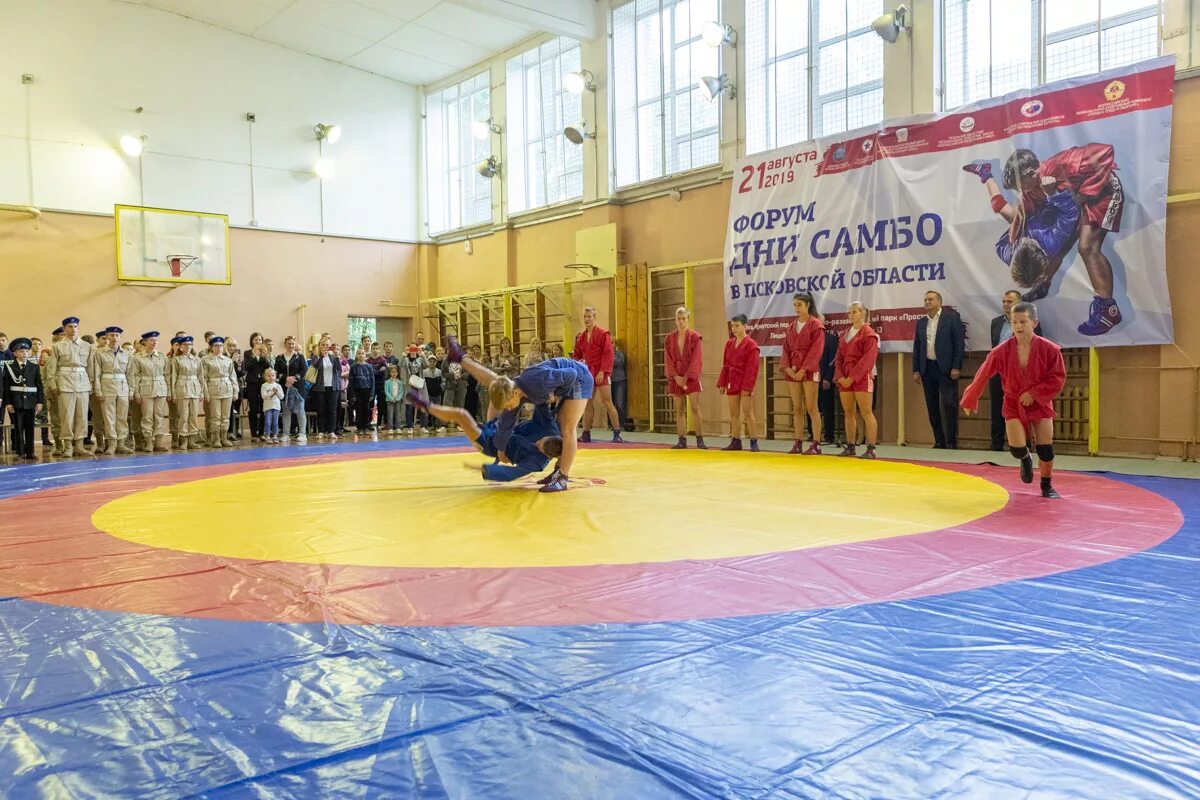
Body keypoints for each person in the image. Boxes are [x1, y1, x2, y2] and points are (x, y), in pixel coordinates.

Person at [1002, 144, 1124, 335]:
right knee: (1056, 248)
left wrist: (1082, 194)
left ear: (1032, 173)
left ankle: (1108, 309)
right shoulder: (1030, 189)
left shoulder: (1064, 162)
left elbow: (1106, 150)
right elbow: (1023, 215)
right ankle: (1043, 285)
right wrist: (1014, 238)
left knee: (1087, 247)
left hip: (1102, 195)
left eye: (1021, 185)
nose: (1022, 190)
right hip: (1073, 204)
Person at [448, 338, 591, 493]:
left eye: (508, 405)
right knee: (557, 426)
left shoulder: (539, 382)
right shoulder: (515, 395)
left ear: (514, 393)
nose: (508, 408)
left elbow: (572, 373)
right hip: (561, 381)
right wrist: (501, 450)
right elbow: (505, 425)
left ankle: (562, 477)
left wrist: (557, 394)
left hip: (579, 378)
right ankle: (558, 470)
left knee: (568, 429)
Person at [962, 302, 1066, 498]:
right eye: (1014, 322)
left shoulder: (1050, 350)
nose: (1018, 326)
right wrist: (970, 398)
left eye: (1023, 322)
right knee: (1017, 448)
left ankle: (1046, 485)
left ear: (1034, 323)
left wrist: (1034, 393)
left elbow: (1057, 378)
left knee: (1045, 448)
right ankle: (1025, 458)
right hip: (1013, 401)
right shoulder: (1001, 351)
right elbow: (983, 374)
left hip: (1040, 402)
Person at [962, 159, 1079, 304]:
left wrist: (1016, 226)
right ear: (1042, 252)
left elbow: (1002, 243)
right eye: (1028, 242)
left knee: (998, 206)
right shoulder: (1052, 241)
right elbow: (1071, 214)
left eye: (1020, 243)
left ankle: (985, 173)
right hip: (1049, 208)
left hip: (1028, 219)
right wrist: (1052, 193)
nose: (1024, 239)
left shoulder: (1008, 254)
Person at [412, 391, 563, 483]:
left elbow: (510, 474)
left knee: (461, 415)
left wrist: (479, 468)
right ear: (549, 436)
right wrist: (549, 395)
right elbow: (542, 407)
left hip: (491, 445)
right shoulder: (550, 427)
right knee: (499, 390)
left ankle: (424, 405)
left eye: (538, 447)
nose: (536, 443)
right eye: (540, 441)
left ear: (546, 455)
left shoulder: (537, 462)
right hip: (501, 428)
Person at [989, 290, 1043, 451]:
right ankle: (996, 444)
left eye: (1009, 301)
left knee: (1023, 409)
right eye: (1004, 301)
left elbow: (1037, 349)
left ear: (1019, 304)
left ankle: (1025, 444)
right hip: (999, 371)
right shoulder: (996, 322)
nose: (1005, 304)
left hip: (1020, 374)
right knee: (997, 406)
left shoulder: (1029, 322)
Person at [912, 290, 965, 449]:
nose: (927, 302)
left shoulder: (951, 319)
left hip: (947, 369)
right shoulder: (921, 322)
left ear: (939, 302)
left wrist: (956, 366)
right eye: (925, 299)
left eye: (930, 299)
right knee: (932, 406)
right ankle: (939, 441)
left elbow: (959, 344)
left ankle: (951, 442)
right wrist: (916, 369)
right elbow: (917, 346)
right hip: (927, 368)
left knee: (949, 405)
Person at [834, 302, 880, 459]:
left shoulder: (869, 334)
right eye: (849, 312)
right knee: (848, 412)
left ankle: (871, 447)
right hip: (845, 377)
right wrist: (840, 376)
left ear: (862, 313)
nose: (851, 315)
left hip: (861, 377)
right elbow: (839, 357)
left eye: (854, 312)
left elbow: (868, 359)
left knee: (866, 412)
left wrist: (852, 377)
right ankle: (851, 445)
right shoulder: (845, 334)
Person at [781, 293, 826, 455]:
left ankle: (816, 443)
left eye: (799, 304)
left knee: (811, 407)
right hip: (793, 371)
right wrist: (788, 369)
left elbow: (816, 350)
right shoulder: (791, 327)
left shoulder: (816, 325)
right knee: (797, 408)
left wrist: (803, 369)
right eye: (794, 305)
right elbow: (785, 349)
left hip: (809, 370)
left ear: (807, 305)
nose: (796, 308)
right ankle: (798, 441)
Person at [573, 306, 623, 444]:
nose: (587, 319)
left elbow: (608, 354)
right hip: (588, 372)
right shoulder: (581, 337)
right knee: (587, 403)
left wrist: (602, 371)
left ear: (594, 317)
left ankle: (617, 433)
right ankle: (586, 433)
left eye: (589, 316)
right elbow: (577, 354)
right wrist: (577, 363)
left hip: (602, 371)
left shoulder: (603, 334)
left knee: (608, 402)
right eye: (585, 316)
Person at [46, 316, 94, 457]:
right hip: (65, 382)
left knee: (82, 415)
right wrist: (53, 386)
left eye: (75, 326)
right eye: (69, 327)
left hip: (82, 382)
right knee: (66, 416)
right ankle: (68, 446)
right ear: (64, 329)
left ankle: (79, 445)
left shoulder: (86, 346)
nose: (73, 329)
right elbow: (51, 369)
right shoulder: (57, 346)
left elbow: (90, 368)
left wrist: (91, 384)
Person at [717, 314, 761, 452]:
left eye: (737, 326)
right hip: (732, 380)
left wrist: (747, 387)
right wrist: (722, 382)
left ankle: (754, 441)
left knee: (748, 412)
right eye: (732, 326)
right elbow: (725, 365)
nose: (734, 329)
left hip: (744, 381)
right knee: (734, 413)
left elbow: (752, 368)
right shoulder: (729, 343)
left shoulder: (752, 345)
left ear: (745, 326)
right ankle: (736, 440)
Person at [87, 327, 133, 455]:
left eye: (117, 335)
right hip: (107, 387)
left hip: (123, 388)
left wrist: (131, 391)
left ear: (120, 337)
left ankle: (121, 444)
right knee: (109, 418)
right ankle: (111, 444)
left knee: (122, 418)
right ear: (107, 337)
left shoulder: (127, 354)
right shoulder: (100, 353)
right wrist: (98, 391)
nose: (114, 338)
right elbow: (97, 374)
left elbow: (130, 374)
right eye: (112, 335)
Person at [665, 307, 706, 449]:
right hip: (676, 376)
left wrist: (687, 376)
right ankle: (681, 439)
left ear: (688, 319)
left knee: (695, 407)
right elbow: (668, 359)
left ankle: (700, 439)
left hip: (691, 376)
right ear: (675, 320)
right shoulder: (669, 338)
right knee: (679, 410)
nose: (681, 322)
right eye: (679, 319)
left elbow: (697, 359)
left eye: (684, 319)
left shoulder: (695, 337)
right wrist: (675, 376)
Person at [2, 338, 44, 459]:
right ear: (15, 354)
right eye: (21, 351)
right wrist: (8, 403)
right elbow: (6, 387)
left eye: (26, 351)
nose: (24, 353)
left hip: (31, 402)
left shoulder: (34, 367)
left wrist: (40, 401)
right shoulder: (10, 367)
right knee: (18, 428)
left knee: (30, 427)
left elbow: (39, 386)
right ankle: (20, 452)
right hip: (17, 402)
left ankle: (30, 452)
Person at [129, 331, 170, 452]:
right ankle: (148, 442)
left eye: (156, 340)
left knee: (159, 416)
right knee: (147, 416)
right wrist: (136, 392)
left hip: (160, 388)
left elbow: (167, 375)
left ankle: (158, 442)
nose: (154, 342)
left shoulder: (162, 357)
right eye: (152, 340)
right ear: (145, 342)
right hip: (145, 389)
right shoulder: (137, 358)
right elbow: (135, 376)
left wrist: (168, 391)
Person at [200, 337, 237, 448]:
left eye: (221, 345)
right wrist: (205, 393)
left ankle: (224, 438)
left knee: (226, 416)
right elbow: (203, 378)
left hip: (227, 389)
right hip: (213, 389)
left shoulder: (228, 360)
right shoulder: (205, 360)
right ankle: (215, 439)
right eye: (216, 345)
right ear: (211, 347)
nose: (219, 348)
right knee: (215, 416)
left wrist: (235, 391)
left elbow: (232, 377)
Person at [167, 335, 203, 450]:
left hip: (194, 388)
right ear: (181, 347)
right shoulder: (176, 360)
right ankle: (183, 440)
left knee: (193, 416)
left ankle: (192, 440)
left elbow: (201, 377)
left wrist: (202, 392)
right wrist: (173, 392)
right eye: (185, 345)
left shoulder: (197, 360)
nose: (188, 346)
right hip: (181, 388)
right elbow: (173, 377)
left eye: (190, 344)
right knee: (183, 416)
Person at [275, 336, 308, 439]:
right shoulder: (279, 357)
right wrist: (286, 378)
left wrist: (294, 379)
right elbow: (277, 372)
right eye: (289, 343)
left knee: (300, 411)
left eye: (292, 344)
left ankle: (302, 433)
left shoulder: (300, 357)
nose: (291, 345)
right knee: (286, 411)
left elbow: (303, 371)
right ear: (285, 344)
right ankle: (286, 433)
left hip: (298, 388)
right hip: (284, 387)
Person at [309, 342, 342, 439]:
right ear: (320, 346)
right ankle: (321, 431)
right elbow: (315, 367)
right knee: (321, 410)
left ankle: (331, 431)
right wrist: (321, 357)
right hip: (320, 387)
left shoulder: (332, 357)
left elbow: (339, 369)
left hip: (333, 387)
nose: (325, 347)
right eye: (323, 345)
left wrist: (336, 357)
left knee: (332, 410)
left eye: (327, 345)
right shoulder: (316, 357)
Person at [243, 333, 271, 441]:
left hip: (263, 383)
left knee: (264, 407)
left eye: (260, 340)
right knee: (253, 408)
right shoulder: (247, 353)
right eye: (256, 340)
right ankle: (254, 433)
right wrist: (254, 356)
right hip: (252, 383)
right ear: (252, 341)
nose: (258, 342)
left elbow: (268, 366)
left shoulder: (265, 352)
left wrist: (263, 355)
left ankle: (262, 433)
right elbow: (247, 367)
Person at [400, 344, 429, 434]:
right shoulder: (406, 359)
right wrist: (404, 354)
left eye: (414, 349)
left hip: (420, 385)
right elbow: (400, 365)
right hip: (410, 385)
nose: (413, 351)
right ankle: (410, 427)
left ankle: (423, 426)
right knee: (409, 407)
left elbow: (427, 365)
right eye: (411, 349)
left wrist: (422, 354)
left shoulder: (420, 358)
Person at [817, 326, 839, 445]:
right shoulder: (811, 338)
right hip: (812, 379)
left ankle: (829, 435)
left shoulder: (831, 339)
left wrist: (828, 378)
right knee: (812, 408)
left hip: (826, 378)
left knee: (827, 409)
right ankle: (813, 435)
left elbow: (833, 359)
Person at [348, 349, 375, 433]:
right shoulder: (353, 367)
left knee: (366, 409)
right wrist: (352, 394)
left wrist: (372, 393)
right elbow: (351, 382)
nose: (361, 355)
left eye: (363, 354)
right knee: (358, 409)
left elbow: (372, 381)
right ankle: (359, 427)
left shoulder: (369, 366)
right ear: (356, 355)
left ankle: (366, 426)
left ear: (365, 355)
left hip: (367, 390)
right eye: (359, 354)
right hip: (357, 390)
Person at [440, 348, 468, 430]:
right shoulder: (446, 361)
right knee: (446, 403)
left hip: (461, 385)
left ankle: (459, 424)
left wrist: (462, 376)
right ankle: (443, 425)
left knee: (460, 404)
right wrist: (452, 375)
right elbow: (443, 372)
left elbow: (467, 371)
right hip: (449, 385)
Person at [261, 367, 283, 443]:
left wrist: (277, 392)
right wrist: (272, 392)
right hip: (267, 407)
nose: (271, 377)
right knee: (268, 421)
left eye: (273, 375)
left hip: (276, 407)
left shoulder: (278, 386)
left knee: (275, 422)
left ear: (275, 376)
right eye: (269, 376)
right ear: (265, 377)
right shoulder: (264, 386)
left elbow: (282, 397)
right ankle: (267, 436)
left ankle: (275, 436)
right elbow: (263, 396)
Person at [610, 339, 628, 432]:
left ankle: (621, 424)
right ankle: (612, 424)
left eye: (612, 342)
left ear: (615, 344)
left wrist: (610, 356)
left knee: (620, 403)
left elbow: (620, 363)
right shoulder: (604, 354)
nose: (610, 344)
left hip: (620, 380)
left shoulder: (620, 354)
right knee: (610, 403)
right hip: (609, 381)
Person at [383, 364, 404, 434]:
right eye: (392, 372)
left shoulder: (400, 382)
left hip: (398, 401)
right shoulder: (387, 382)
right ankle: (390, 428)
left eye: (395, 372)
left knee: (398, 414)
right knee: (390, 414)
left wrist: (397, 398)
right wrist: (391, 398)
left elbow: (401, 391)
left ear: (398, 373)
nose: (394, 373)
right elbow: (386, 391)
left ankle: (398, 427)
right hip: (389, 400)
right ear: (390, 373)